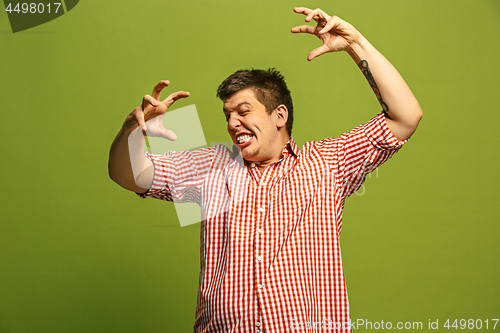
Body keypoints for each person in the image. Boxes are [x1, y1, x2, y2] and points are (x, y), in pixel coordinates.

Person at [108, 7, 422, 333]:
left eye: (243, 111)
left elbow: (405, 116)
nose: (232, 123)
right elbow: (130, 176)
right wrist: (131, 132)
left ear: (280, 115)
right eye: (228, 115)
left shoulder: (329, 164)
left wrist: (355, 44)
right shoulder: (212, 164)